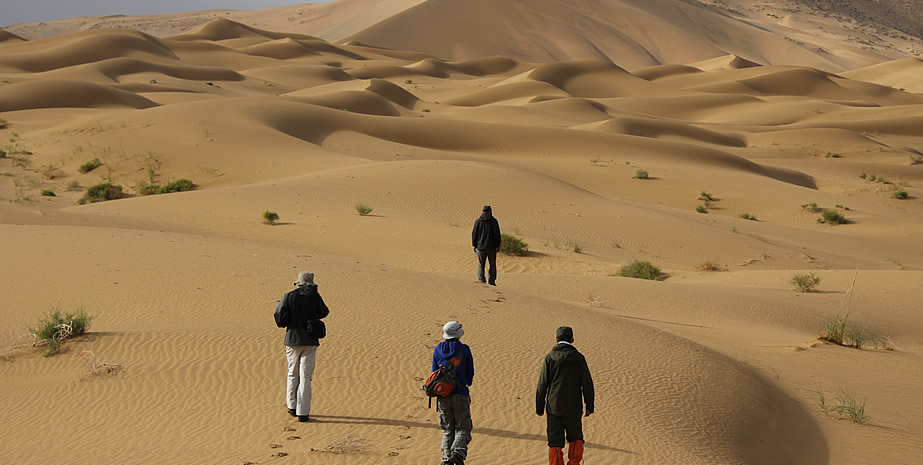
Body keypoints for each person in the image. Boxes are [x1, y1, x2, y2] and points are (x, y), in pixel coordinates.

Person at [273, 271, 329, 422]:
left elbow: (280, 320)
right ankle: (303, 413)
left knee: (293, 373)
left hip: (292, 340)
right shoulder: (316, 297)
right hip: (310, 341)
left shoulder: (289, 296)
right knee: (306, 377)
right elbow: (324, 312)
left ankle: (292, 407)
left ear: (299, 283)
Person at [535, 326, 595, 465]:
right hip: (573, 407)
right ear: (572, 339)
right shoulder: (579, 358)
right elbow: (587, 383)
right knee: (575, 438)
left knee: (555, 441)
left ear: (556, 339)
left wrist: (539, 407)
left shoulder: (550, 357)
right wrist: (589, 405)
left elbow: (542, 384)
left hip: (553, 408)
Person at [432, 321, 475, 465]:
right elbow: (470, 375)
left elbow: (434, 373)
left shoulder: (438, 349)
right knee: (463, 427)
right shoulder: (464, 349)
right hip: (460, 393)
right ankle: (457, 453)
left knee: (447, 429)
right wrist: (465, 382)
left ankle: (446, 459)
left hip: (443, 395)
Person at [471, 205, 501, 286]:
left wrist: (474, 245)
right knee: (492, 264)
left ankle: (482, 279)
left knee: (481, 263)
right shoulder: (494, 221)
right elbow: (497, 234)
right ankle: (491, 280)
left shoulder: (478, 221)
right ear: (490, 211)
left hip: (480, 247)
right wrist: (498, 245)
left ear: (482, 211)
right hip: (491, 247)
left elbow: (474, 234)